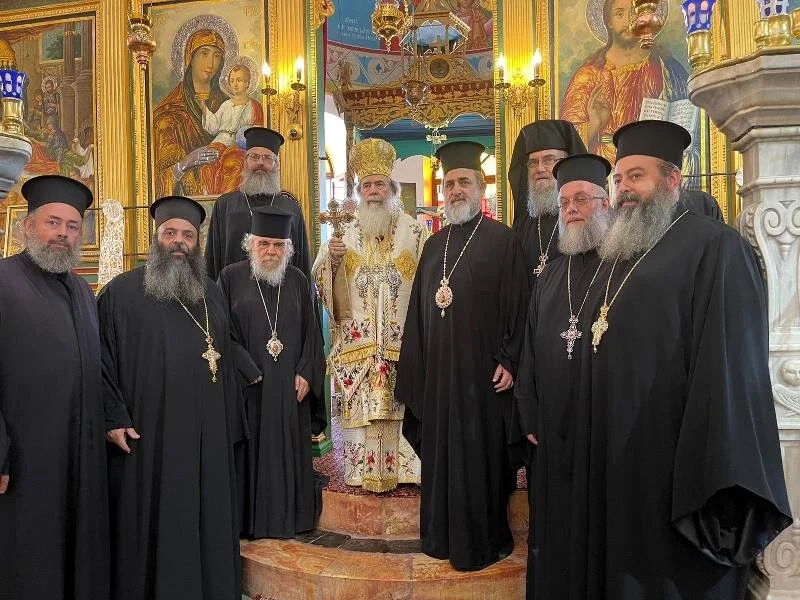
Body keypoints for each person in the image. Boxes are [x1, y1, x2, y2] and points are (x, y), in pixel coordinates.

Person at [518, 120, 792, 599]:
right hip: (614, 454)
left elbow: (730, 372)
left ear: (672, 181)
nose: (624, 189)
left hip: (675, 459)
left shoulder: (714, 248)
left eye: (636, 176)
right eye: (619, 179)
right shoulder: (617, 255)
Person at [99, 196, 241, 600]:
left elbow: (224, 356)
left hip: (206, 437)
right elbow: (98, 361)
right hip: (148, 436)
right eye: (170, 233)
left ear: (198, 243)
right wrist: (112, 416)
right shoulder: (121, 294)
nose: (179, 242)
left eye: (188, 236)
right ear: (156, 238)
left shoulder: (212, 293)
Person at [397, 140, 530, 570]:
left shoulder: (504, 241)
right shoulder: (434, 246)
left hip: (482, 382)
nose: (455, 190)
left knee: (481, 463)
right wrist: (415, 372)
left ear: (481, 188)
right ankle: (439, 537)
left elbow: (520, 306)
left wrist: (509, 360)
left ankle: (484, 540)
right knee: (441, 460)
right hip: (439, 381)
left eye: (464, 182)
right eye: (449, 183)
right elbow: (419, 312)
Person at [0, 175, 110, 600]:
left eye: (71, 226)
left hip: (79, 455)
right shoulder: (4, 279)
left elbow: (96, 364)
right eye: (53, 223)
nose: (62, 234)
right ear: (27, 227)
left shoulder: (82, 289)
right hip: (24, 460)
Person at [513, 153, 613, 600]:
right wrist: (528, 412)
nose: (571, 208)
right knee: (551, 519)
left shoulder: (621, 268)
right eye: (565, 201)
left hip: (599, 422)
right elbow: (531, 347)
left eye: (582, 199)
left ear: (605, 203)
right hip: (550, 424)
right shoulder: (551, 274)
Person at [313, 137, 428, 492]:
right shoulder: (341, 232)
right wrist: (331, 263)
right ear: (359, 191)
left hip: (401, 344)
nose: (373, 191)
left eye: (380, 184)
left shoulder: (414, 230)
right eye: (367, 185)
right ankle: (362, 472)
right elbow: (320, 283)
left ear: (392, 188)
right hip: (358, 345)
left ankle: (406, 470)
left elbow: (425, 285)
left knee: (400, 407)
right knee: (362, 414)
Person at [219, 207, 326, 538]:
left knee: (289, 450)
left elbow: (313, 334)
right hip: (251, 386)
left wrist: (307, 372)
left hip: (291, 388)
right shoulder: (230, 277)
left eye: (278, 245)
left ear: (288, 249)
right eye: (264, 243)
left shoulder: (296, 280)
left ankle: (293, 520)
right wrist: (245, 368)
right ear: (251, 245)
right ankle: (253, 521)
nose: (270, 251)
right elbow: (222, 333)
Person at [560, 0, 688, 162]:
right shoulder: (589, 74)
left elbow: (684, 123)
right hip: (602, 168)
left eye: (635, 13)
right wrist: (594, 124)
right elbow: (566, 142)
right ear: (608, 22)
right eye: (619, 13)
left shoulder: (667, 69)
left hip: (652, 163)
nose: (628, 21)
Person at [206, 127, 312, 285]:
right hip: (233, 297)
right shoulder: (225, 205)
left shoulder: (290, 208)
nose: (260, 162)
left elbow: (301, 261)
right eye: (254, 157)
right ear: (245, 162)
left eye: (267, 158)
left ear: (276, 164)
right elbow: (213, 260)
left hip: (280, 298)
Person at [508, 119, 587, 281]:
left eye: (549, 160)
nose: (540, 169)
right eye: (533, 162)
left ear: (567, 164)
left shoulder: (583, 220)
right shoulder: (521, 227)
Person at [152, 29, 228, 197]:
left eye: (217, 56)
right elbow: (158, 176)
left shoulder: (229, 105)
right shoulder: (169, 113)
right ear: (190, 58)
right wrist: (186, 162)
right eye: (204, 53)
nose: (210, 64)